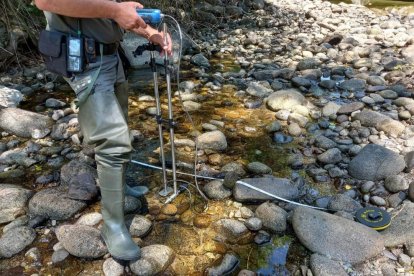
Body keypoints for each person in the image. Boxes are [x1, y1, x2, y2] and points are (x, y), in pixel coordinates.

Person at [34, 0, 172, 261]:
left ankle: (119, 186)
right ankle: (113, 226)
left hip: (110, 56)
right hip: (87, 61)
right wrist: (114, 10)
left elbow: (106, 12)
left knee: (120, 123)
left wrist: (149, 32)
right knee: (113, 142)